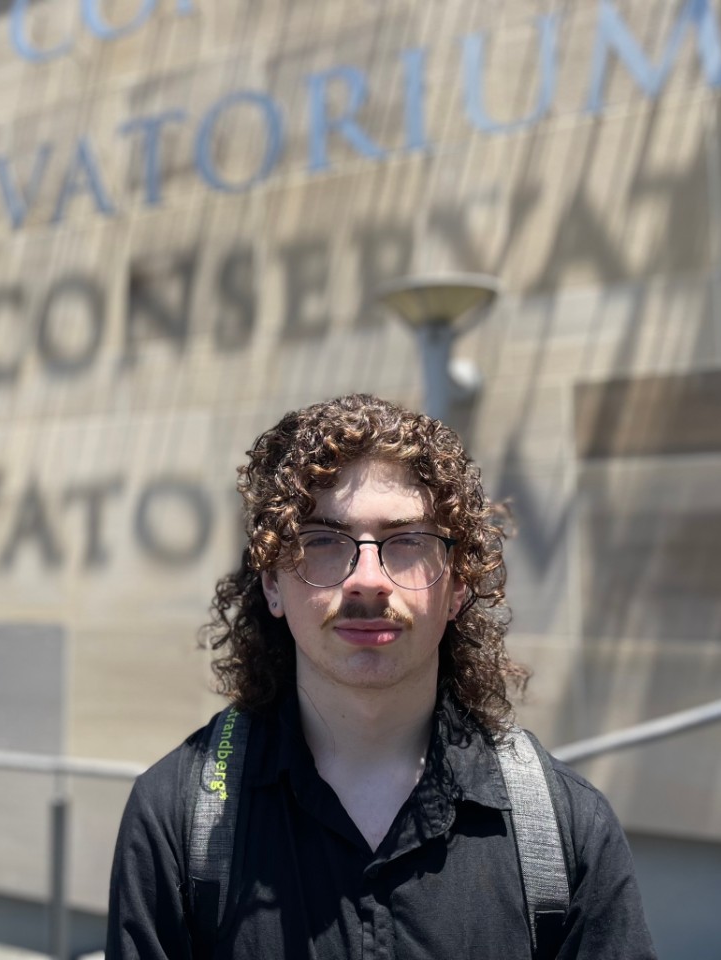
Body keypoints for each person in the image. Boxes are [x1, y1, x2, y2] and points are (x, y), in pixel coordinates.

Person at [107, 394, 656, 959]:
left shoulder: (567, 831)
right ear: (272, 583)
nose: (368, 580)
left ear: (458, 584)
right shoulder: (175, 819)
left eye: (408, 541)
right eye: (322, 540)